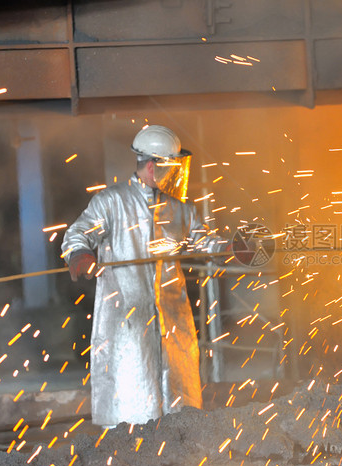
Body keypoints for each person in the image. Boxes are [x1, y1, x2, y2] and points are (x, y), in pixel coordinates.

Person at [61, 125, 227, 428]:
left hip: (171, 319)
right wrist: (79, 256)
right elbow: (77, 236)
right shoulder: (112, 202)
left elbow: (204, 243)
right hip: (128, 318)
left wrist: (232, 247)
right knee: (131, 399)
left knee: (179, 407)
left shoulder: (179, 209)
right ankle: (129, 451)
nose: (176, 175)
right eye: (171, 167)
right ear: (153, 166)